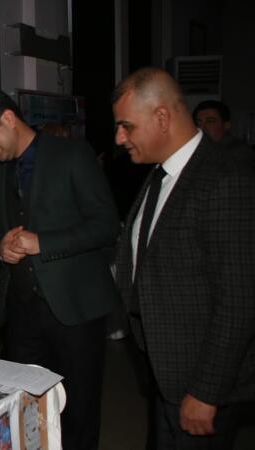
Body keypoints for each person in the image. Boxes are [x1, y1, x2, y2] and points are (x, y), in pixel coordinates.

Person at [0, 88, 120, 450]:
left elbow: (106, 225)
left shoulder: (73, 155)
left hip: (75, 309)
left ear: (8, 118)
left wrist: (43, 242)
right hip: (21, 311)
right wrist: (0, 247)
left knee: (78, 409)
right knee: (23, 408)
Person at [112, 67, 255, 449]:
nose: (119, 138)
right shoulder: (160, 173)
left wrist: (206, 392)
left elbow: (239, 302)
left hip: (201, 382)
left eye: (126, 126)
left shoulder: (226, 178)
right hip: (166, 370)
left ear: (162, 117)